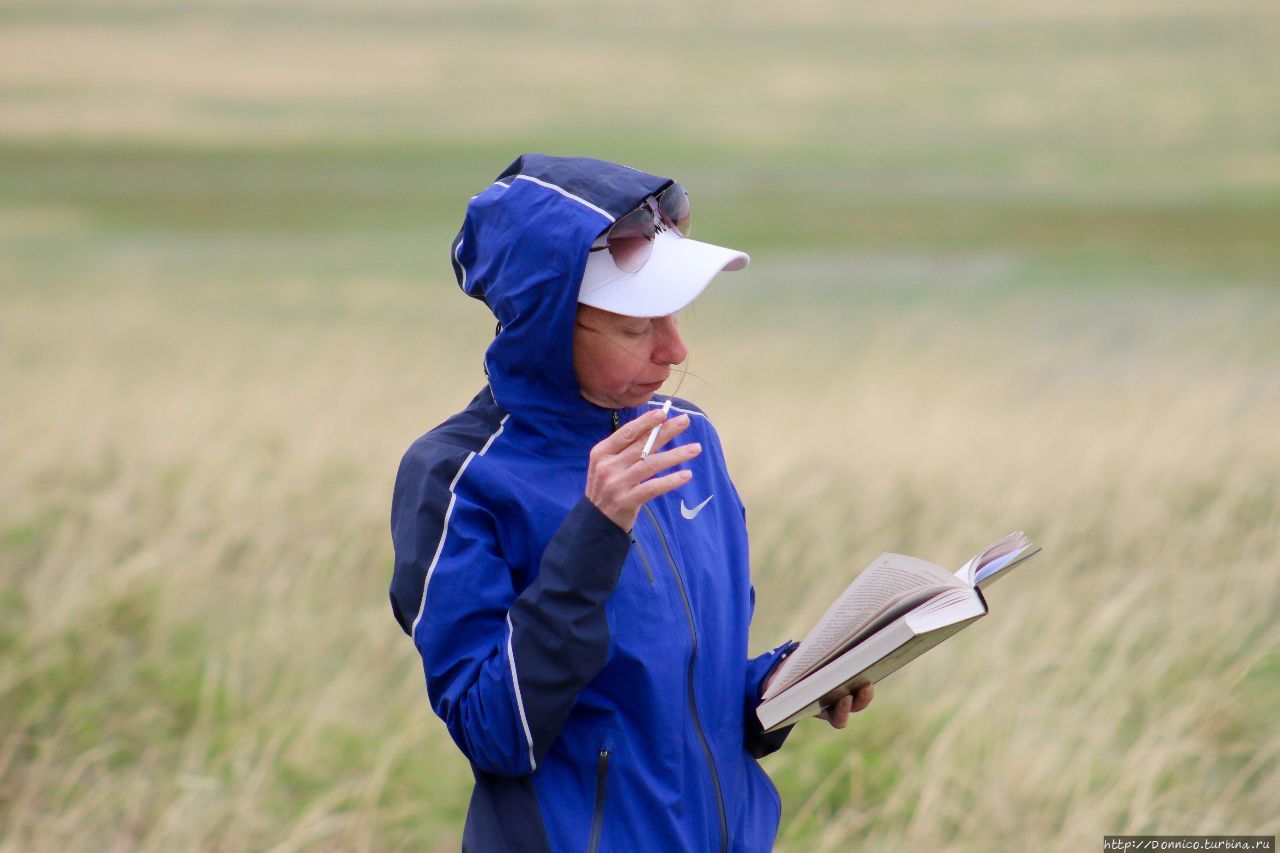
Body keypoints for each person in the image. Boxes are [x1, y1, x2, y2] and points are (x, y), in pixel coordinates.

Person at [389, 154, 873, 852]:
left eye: (675, 316)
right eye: (636, 327)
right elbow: (499, 732)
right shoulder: (459, 477)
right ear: (544, 324)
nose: (674, 349)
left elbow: (673, 695)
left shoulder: (688, 436)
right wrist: (595, 531)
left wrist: (790, 682)